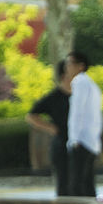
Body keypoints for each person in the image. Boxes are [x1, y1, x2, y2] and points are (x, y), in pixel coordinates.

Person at [25, 61, 72, 196]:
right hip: (61, 143)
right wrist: (51, 128)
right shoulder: (54, 97)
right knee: (64, 183)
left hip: (80, 143)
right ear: (63, 76)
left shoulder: (81, 96)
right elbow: (31, 116)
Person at [65, 51, 102, 198]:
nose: (67, 67)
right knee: (87, 184)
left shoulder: (79, 82)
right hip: (91, 140)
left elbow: (77, 111)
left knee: (77, 186)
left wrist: (74, 139)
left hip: (81, 140)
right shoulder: (90, 84)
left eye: (70, 63)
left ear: (81, 66)